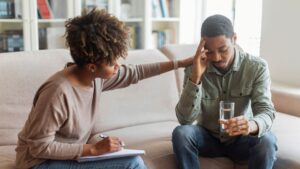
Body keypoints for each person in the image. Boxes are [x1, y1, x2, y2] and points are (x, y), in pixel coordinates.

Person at [15, 9, 193, 169]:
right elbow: (38, 146)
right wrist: (92, 149)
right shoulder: (58, 92)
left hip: (66, 158)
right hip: (37, 163)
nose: (118, 66)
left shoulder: (94, 78)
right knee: (133, 164)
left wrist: (180, 63)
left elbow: (135, 72)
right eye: (112, 62)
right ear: (92, 66)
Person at [172, 14, 277, 169]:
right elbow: (185, 120)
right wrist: (195, 77)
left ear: (234, 39)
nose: (216, 58)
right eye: (209, 51)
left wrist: (251, 125)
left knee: (267, 140)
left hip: (242, 139)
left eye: (223, 49)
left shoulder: (256, 67)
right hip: (208, 138)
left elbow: (266, 112)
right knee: (181, 133)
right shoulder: (195, 68)